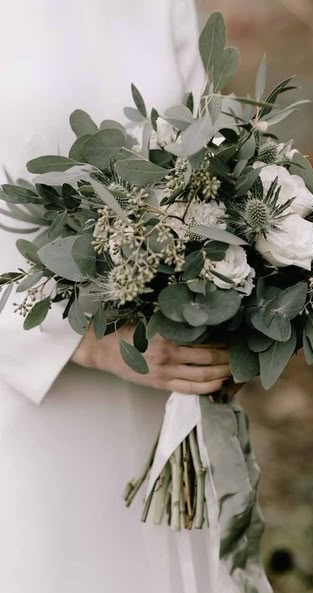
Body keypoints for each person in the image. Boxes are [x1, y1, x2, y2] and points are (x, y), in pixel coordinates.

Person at [0, 2, 232, 592]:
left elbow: (213, 149)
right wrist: (87, 342)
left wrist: (238, 285)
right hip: (31, 406)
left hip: (170, 394)